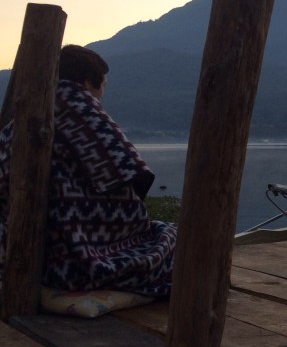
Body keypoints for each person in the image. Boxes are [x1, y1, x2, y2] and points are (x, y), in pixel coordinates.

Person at [0, 45, 175, 297]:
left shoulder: (23, 115)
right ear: (86, 82)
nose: (101, 94)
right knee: (168, 237)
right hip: (71, 260)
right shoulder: (79, 104)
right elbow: (133, 172)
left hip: (16, 246)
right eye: (102, 85)